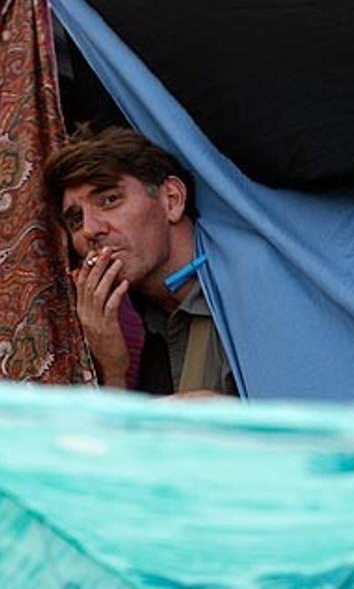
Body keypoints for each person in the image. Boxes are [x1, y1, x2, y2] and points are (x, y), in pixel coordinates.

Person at [43, 126, 237, 396]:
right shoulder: (145, 323)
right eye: (76, 219)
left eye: (110, 200)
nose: (90, 229)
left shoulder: (248, 291)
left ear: (172, 200)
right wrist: (113, 370)